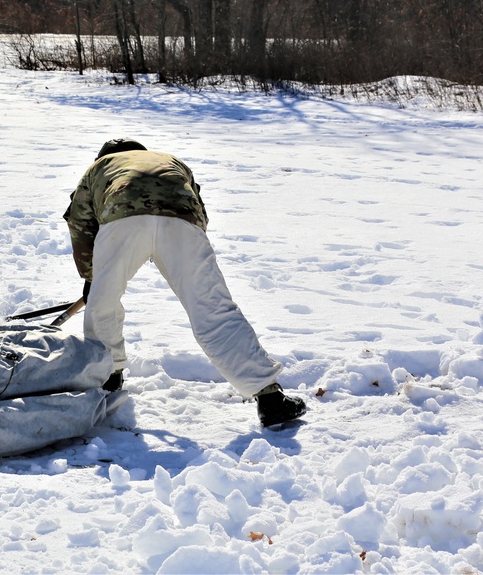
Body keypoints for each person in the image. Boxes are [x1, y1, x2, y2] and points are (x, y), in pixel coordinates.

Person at [63, 138, 307, 427]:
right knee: (212, 308)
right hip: (181, 218)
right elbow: (198, 210)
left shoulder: (98, 168)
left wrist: (92, 277)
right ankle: (269, 397)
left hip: (121, 216)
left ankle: (108, 378)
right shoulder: (170, 160)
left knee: (103, 306)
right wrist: (172, 248)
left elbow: (79, 222)